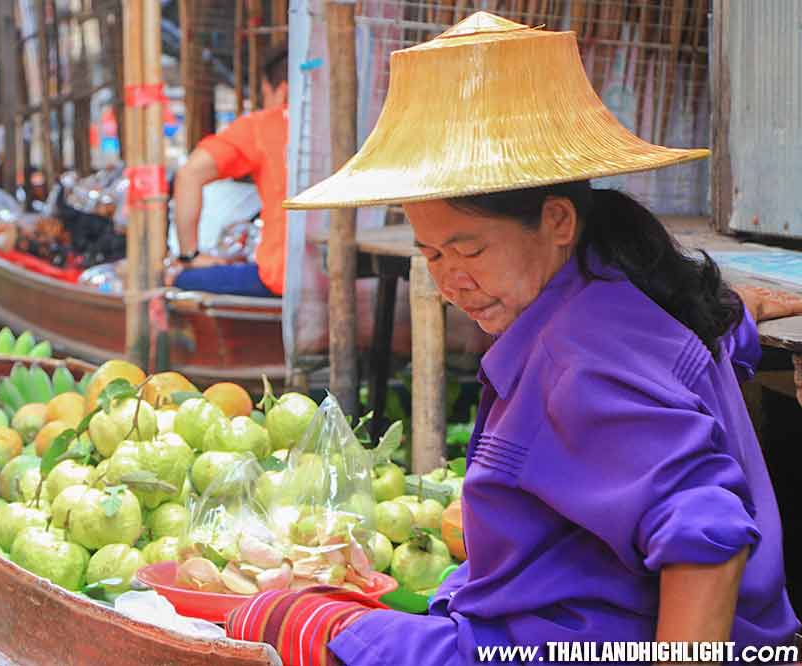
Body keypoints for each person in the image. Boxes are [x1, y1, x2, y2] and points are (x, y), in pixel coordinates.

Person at [226, 13, 801, 664]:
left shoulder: (584, 358)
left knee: (277, 618)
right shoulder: (627, 291)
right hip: (569, 621)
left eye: (468, 249)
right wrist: (740, 309)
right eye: (433, 254)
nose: (451, 281)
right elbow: (709, 352)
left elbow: (707, 526)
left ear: (557, 220)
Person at [166, 47, 288, 298]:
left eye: (265, 93)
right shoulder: (359, 122)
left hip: (284, 279)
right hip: (363, 277)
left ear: (282, 90)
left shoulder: (265, 126)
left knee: (177, 278)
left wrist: (190, 255)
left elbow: (189, 174)